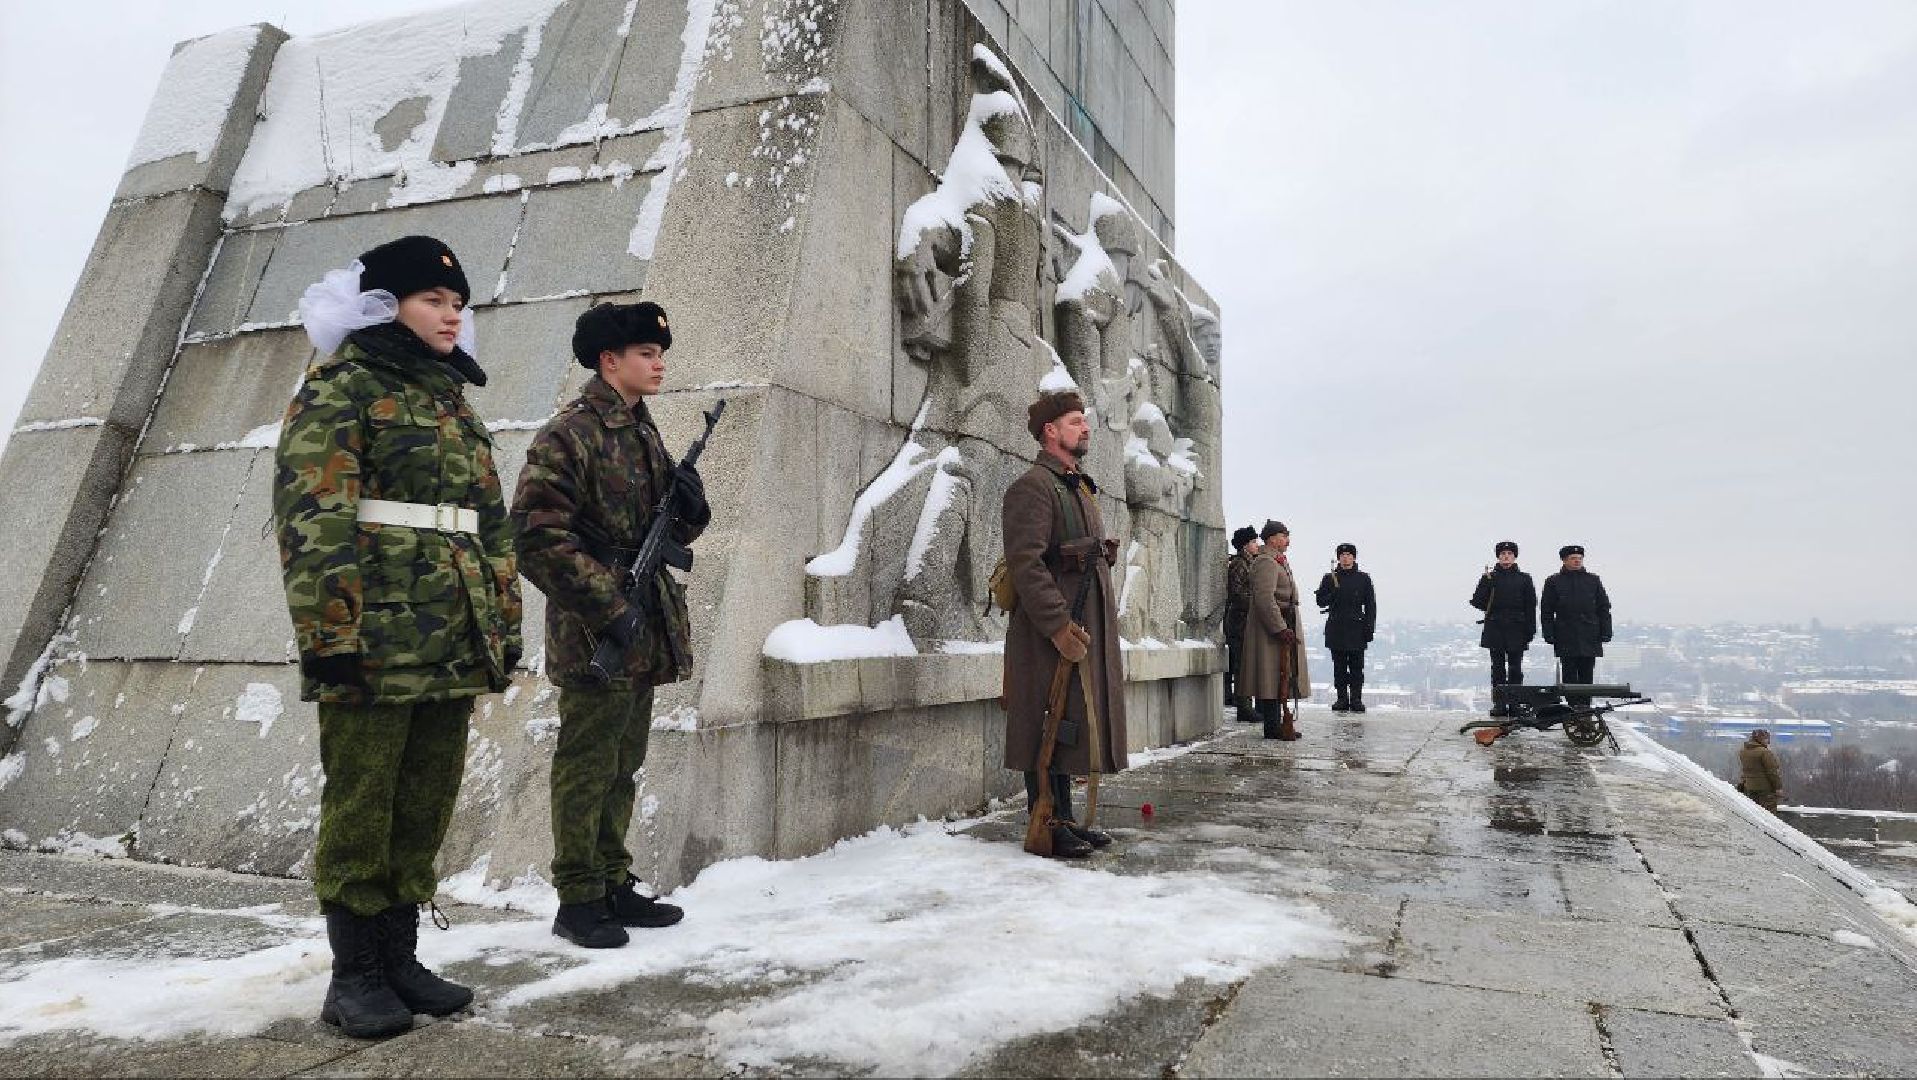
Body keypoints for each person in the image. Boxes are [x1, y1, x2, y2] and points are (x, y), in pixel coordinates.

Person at [275, 235, 522, 1039]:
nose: (451, 316)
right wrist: (331, 636)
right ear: (386, 306)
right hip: (374, 636)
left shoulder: (451, 398)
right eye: (432, 301)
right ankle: (353, 976)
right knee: (363, 801)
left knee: (423, 799)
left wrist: (502, 625)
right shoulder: (342, 387)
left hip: (451, 631)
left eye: (458, 304)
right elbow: (314, 519)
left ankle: (399, 958)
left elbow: (490, 525)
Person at [512, 301, 711, 948]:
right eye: (646, 354)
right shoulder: (569, 434)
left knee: (624, 760)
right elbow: (536, 538)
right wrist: (610, 607)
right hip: (594, 629)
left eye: (660, 354)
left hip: (642, 619)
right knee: (587, 763)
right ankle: (577, 897)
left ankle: (611, 880)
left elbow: (661, 530)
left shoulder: (641, 431)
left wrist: (691, 510)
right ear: (608, 360)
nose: (659, 364)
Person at [1002, 390, 1128, 858]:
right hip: (1048, 634)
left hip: (1078, 627)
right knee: (1046, 722)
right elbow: (1026, 565)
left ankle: (1066, 819)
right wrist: (1057, 626)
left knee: (1066, 722)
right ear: (1050, 431)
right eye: (1076, 421)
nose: (1086, 427)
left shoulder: (1077, 487)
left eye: (1085, 420)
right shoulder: (1033, 486)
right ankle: (1046, 821)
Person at [1241, 520, 1311, 740]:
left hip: (1282, 623)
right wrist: (1280, 628)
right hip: (1269, 630)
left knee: (1279, 676)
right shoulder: (1266, 562)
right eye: (1283, 536)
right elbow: (1264, 598)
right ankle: (1272, 727)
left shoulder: (1277, 560)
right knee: (1269, 678)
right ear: (1272, 539)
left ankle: (1278, 724)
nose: (1287, 540)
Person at [1470, 541, 1537, 715]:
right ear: (1498, 557)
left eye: (1509, 554)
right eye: (1503, 554)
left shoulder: (1524, 579)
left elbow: (1530, 605)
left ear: (1514, 557)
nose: (1506, 557)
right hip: (1496, 626)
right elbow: (1477, 602)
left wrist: (1531, 629)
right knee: (1497, 668)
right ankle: (1499, 704)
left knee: (1516, 668)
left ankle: (1515, 704)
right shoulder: (1489, 578)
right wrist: (1487, 584)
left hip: (1517, 627)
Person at [1539, 544, 1611, 708]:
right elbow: (1547, 610)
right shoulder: (1553, 581)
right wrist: (1548, 632)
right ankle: (1573, 707)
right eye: (1573, 558)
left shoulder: (1593, 580)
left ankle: (1585, 708)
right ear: (1564, 560)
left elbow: (1603, 607)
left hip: (1589, 633)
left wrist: (1606, 631)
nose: (1577, 561)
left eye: (1579, 558)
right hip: (1565, 634)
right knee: (1569, 674)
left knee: (1587, 674)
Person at [1314, 543, 1376, 713]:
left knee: (1357, 667)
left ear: (1354, 558)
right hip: (1337, 627)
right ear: (1338, 558)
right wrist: (1331, 594)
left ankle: (1356, 699)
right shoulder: (1329, 578)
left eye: (1349, 555)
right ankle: (1341, 698)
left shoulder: (1363, 579)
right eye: (1342, 555)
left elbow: (1370, 606)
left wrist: (1369, 628)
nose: (1345, 558)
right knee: (1339, 667)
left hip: (1357, 628)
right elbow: (1320, 601)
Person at [1223, 526, 1261, 722]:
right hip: (1240, 623)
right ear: (1245, 545)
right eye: (1253, 542)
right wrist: (1255, 602)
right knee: (1241, 666)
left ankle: (1247, 705)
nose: (1257, 545)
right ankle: (1244, 707)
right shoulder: (1239, 564)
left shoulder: (1251, 563)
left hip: (1247, 622)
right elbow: (1236, 593)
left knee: (1246, 665)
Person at [1738, 729, 1785, 813]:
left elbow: (1745, 770)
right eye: (1766, 739)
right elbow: (1772, 772)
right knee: (1769, 814)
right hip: (1765, 789)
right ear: (1760, 739)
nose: (1768, 742)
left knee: (1754, 813)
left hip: (1749, 787)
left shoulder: (1743, 751)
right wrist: (1778, 788)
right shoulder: (1764, 752)